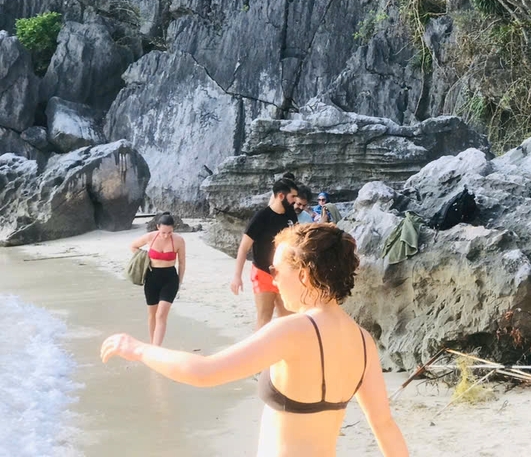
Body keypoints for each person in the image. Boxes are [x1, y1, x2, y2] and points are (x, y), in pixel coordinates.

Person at [102, 223, 409, 456]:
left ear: (304, 275)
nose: (272, 279)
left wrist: (138, 349)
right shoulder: (364, 341)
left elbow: (203, 371)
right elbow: (385, 426)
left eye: (275, 269)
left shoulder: (293, 330)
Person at [231, 176, 298, 329]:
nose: (295, 200)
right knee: (264, 318)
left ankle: (285, 352)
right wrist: (237, 276)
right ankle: (259, 353)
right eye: (292, 196)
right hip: (263, 273)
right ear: (281, 196)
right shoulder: (261, 217)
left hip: (285, 273)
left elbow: (295, 243)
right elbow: (243, 248)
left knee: (288, 320)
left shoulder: (291, 215)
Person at [129, 214, 186, 346]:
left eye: (169, 232)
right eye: (163, 232)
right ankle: (152, 344)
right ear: (157, 227)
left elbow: (182, 263)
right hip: (152, 277)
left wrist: (179, 281)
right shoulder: (150, 237)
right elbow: (133, 246)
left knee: (161, 315)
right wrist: (143, 258)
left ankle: (156, 348)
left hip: (170, 279)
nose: (166, 235)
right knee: (152, 315)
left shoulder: (179, 240)